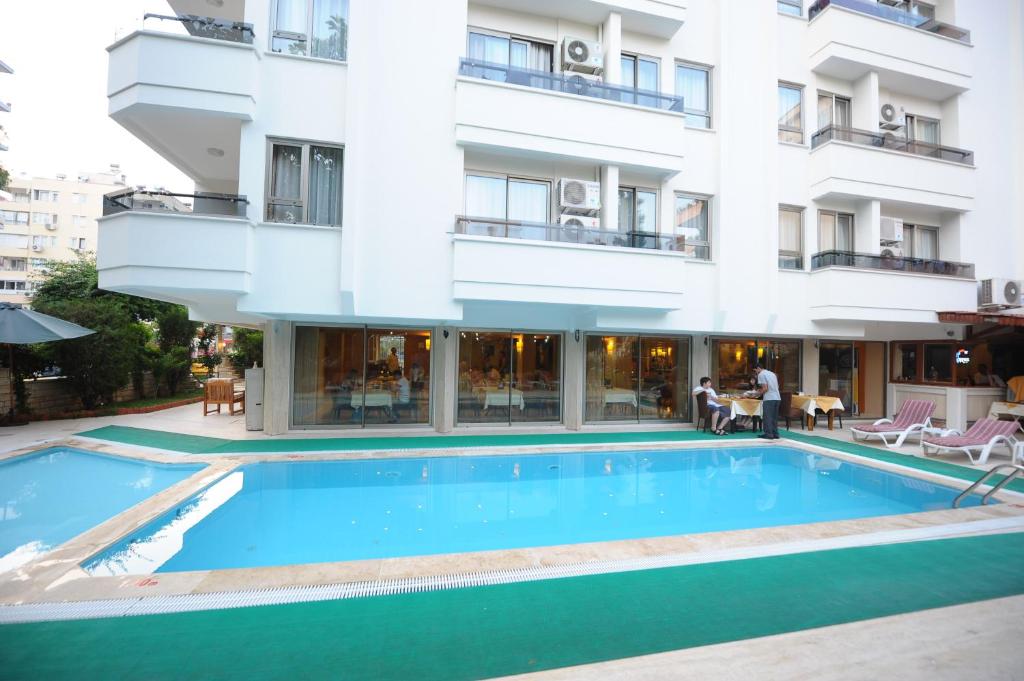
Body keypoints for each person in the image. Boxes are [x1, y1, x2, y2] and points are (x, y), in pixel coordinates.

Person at [754, 364, 781, 440]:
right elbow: (776, 386)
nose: (756, 372)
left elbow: (765, 388)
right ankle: (775, 434)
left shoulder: (761, 374)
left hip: (769, 398)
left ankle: (768, 434)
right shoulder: (772, 373)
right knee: (774, 417)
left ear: (758, 368)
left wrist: (757, 394)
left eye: (755, 370)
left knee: (767, 417)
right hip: (777, 397)